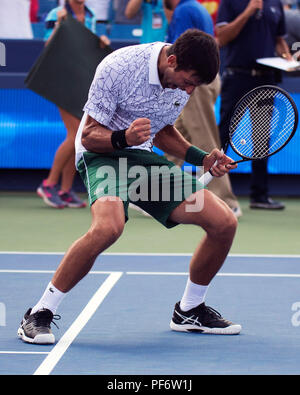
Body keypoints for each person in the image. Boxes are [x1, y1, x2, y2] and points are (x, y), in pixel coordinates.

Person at [18, 29, 242, 345]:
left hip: (143, 159)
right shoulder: (119, 67)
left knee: (223, 223)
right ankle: (39, 312)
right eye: (188, 81)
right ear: (172, 60)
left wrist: (201, 157)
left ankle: (189, 309)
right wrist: (123, 138)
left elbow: (162, 130)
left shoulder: (182, 83)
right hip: (101, 155)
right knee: (108, 228)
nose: (189, 90)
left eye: (194, 85)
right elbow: (87, 135)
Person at [164, 0, 242, 217]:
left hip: (193, 83)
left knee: (204, 139)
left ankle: (225, 201)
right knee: (178, 135)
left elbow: (178, 54)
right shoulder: (196, 8)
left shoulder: (184, 10)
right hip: (203, 80)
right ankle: (155, 193)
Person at [216, 0, 292, 210]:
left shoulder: (275, 3)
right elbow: (222, 37)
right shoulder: (230, 2)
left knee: (262, 138)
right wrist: (248, 12)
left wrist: (288, 57)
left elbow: (279, 40)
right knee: (223, 133)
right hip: (238, 76)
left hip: (266, 78)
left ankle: (260, 196)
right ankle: (212, 190)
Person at [37, 0, 110, 209]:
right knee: (75, 133)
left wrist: (101, 41)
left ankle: (65, 190)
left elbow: (86, 46)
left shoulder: (91, 15)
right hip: (61, 80)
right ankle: (49, 184)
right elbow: (47, 45)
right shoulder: (56, 13)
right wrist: (59, 25)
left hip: (82, 81)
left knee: (79, 137)